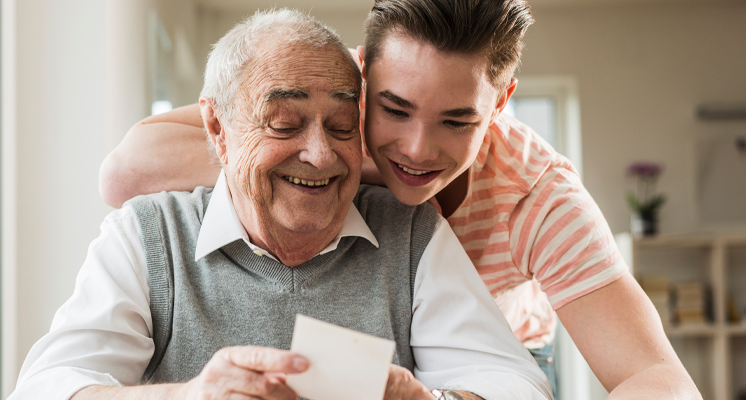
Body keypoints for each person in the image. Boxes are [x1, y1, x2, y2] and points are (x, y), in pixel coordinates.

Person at [99, 0, 702, 398]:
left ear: (503, 99)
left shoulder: (538, 199)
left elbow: (655, 376)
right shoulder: (327, 121)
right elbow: (125, 173)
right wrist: (320, 159)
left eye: (457, 121)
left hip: (486, 368)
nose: (416, 149)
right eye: (394, 109)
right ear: (362, 76)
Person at [9, 9, 552, 400]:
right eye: (284, 125)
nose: (320, 156)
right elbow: (45, 387)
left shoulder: (411, 232)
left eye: (342, 128)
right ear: (218, 129)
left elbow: (518, 385)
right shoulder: (147, 234)